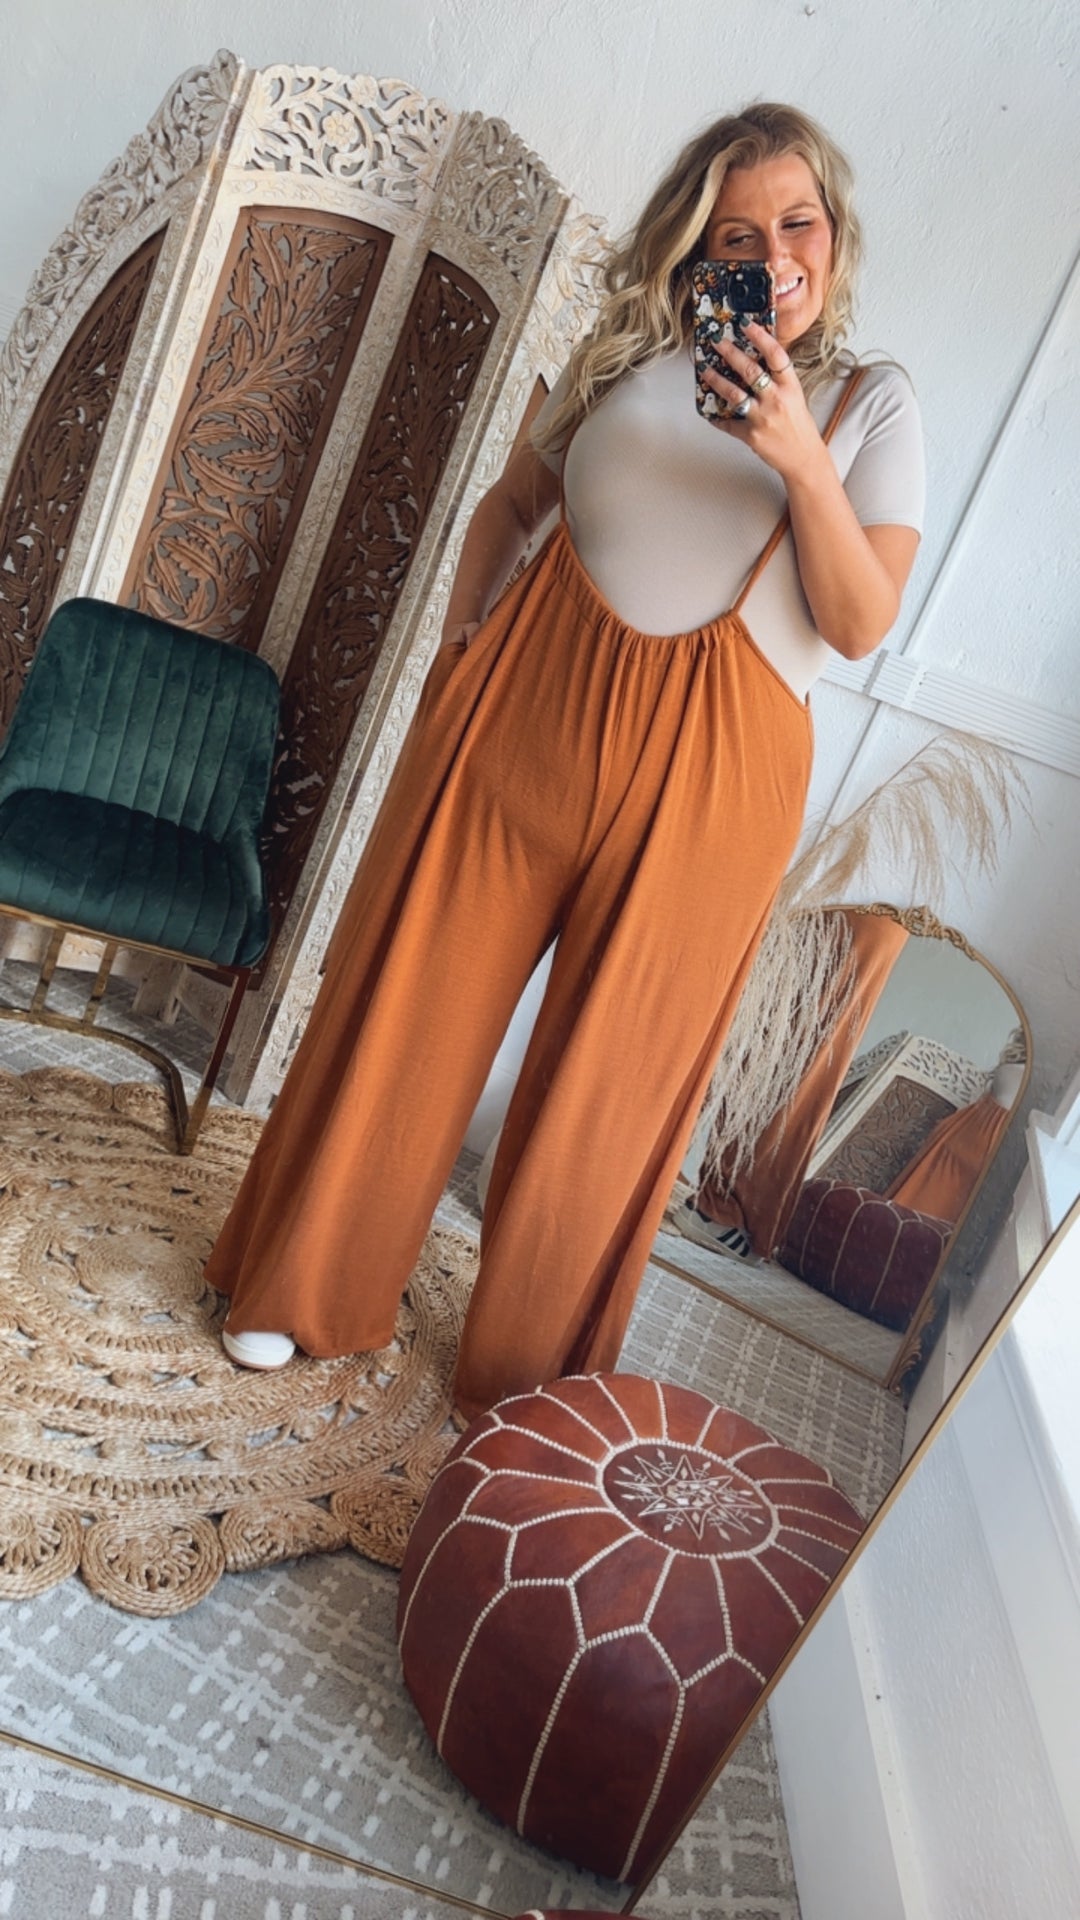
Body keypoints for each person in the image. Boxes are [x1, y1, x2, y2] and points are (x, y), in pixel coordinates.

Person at [205, 102, 925, 1422]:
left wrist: (797, 457)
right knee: (408, 1010)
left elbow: (859, 620)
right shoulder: (623, 359)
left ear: (835, 234)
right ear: (693, 247)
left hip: (716, 776)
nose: (772, 255)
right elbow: (511, 504)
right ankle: (303, 1286)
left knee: (609, 1091)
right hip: (525, 716)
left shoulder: (870, 404)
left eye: (797, 223)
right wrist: (458, 644)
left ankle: (522, 1382)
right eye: (737, 234)